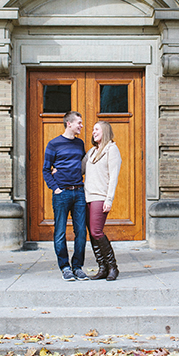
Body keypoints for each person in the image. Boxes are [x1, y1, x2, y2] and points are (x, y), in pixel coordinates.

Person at [42, 111, 89, 281]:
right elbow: (46, 170)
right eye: (79, 123)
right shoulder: (53, 144)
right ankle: (65, 267)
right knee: (60, 232)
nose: (81, 126)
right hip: (62, 193)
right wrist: (55, 188)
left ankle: (77, 266)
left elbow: (83, 165)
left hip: (79, 192)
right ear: (69, 123)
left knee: (81, 233)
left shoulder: (79, 143)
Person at [83, 121, 122, 280]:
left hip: (100, 197)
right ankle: (102, 267)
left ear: (105, 131)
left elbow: (113, 177)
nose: (93, 132)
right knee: (92, 234)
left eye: (96, 129)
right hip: (87, 197)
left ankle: (113, 267)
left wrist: (109, 199)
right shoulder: (92, 151)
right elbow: (80, 168)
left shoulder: (112, 150)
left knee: (96, 231)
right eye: (93, 129)